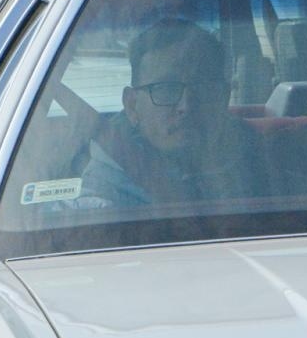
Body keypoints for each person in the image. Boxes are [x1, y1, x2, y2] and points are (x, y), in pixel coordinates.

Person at [77, 18, 257, 206]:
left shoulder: (260, 162)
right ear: (132, 105)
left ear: (224, 98)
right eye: (166, 89)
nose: (186, 106)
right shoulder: (107, 190)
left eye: (203, 88)